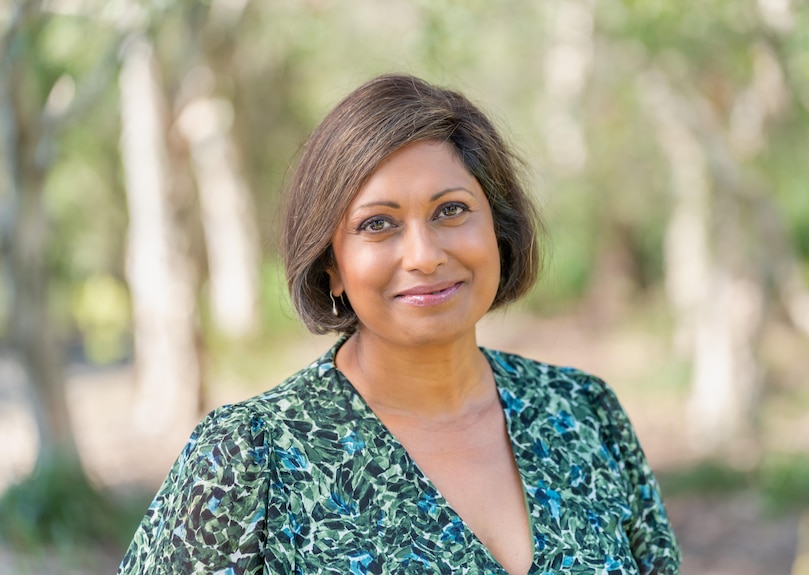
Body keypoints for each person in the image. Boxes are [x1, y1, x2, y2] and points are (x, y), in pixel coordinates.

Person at [118, 73, 681, 575]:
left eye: (451, 210)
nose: (423, 255)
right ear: (332, 265)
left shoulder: (582, 415)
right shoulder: (250, 457)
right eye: (378, 224)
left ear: (499, 232)